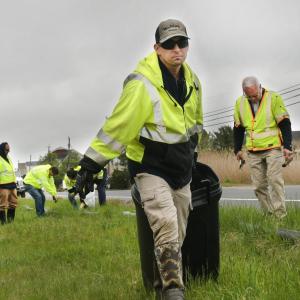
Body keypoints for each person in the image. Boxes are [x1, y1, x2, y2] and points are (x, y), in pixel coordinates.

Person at [76, 19, 203, 299]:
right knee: (166, 225)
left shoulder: (192, 80)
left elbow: (195, 123)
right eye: (169, 45)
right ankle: (174, 292)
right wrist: (90, 163)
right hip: (150, 166)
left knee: (176, 234)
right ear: (157, 48)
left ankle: (161, 289)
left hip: (181, 167)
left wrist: (194, 153)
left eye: (182, 43)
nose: (177, 50)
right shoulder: (142, 83)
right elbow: (119, 127)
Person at [233, 76, 293, 219]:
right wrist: (237, 149)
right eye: (249, 96)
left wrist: (287, 146)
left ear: (260, 87)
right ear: (244, 93)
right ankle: (269, 216)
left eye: (255, 95)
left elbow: (284, 123)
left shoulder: (274, 98)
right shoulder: (239, 103)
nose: (253, 99)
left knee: (274, 181)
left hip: (273, 148)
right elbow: (238, 128)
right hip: (253, 151)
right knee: (259, 186)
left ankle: (280, 216)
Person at [0, 142, 18, 224]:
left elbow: (12, 171)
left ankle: (11, 222)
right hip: (3, 186)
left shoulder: (9, 158)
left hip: (12, 185)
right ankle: (3, 223)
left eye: (9, 149)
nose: (8, 151)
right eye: (7, 149)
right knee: (2, 205)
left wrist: (15, 182)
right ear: (2, 149)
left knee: (13, 203)